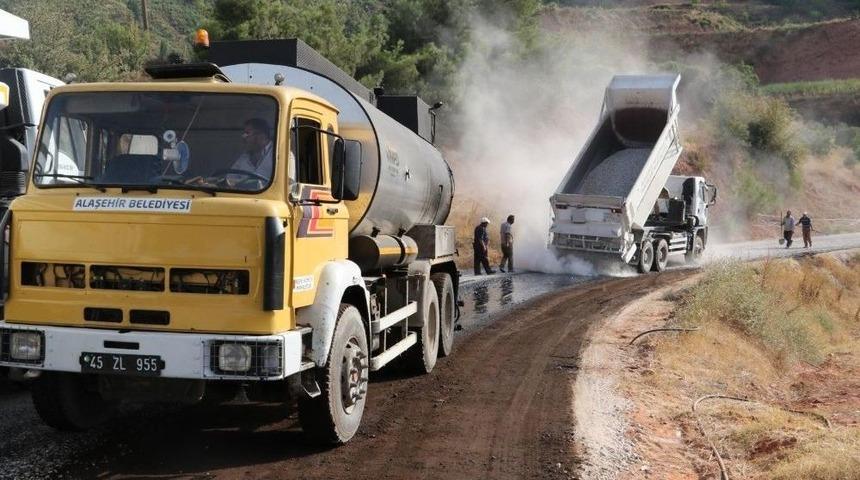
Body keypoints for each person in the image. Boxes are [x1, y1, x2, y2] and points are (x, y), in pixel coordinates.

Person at [228, 118, 274, 186]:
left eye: (247, 133)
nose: (243, 137)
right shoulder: (244, 158)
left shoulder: (280, 155)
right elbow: (229, 179)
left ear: (261, 136)